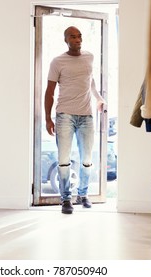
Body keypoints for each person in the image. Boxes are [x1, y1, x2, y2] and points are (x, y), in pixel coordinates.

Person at [44, 26, 106, 214]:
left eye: (79, 36)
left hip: (86, 116)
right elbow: (49, 92)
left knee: (87, 159)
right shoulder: (57, 62)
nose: (78, 39)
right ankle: (65, 199)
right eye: (73, 37)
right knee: (64, 160)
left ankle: (83, 195)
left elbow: (90, 81)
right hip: (65, 116)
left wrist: (99, 98)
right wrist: (48, 118)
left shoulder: (89, 57)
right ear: (66, 40)